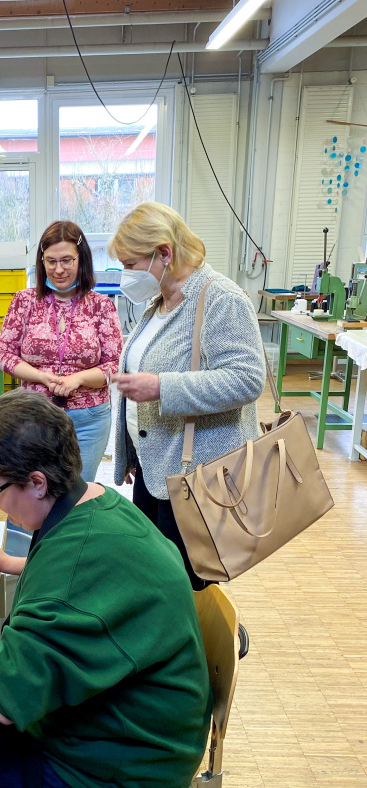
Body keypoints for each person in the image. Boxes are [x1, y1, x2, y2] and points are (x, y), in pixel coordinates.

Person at [0, 391, 211, 788]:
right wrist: (12, 563)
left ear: (36, 482)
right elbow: (90, 579)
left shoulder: (71, 572)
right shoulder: (99, 502)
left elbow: (4, 698)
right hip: (146, 733)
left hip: (124, 774)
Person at [108, 202, 265, 590]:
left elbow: (246, 379)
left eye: (131, 263)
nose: (126, 275)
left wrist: (161, 386)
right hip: (157, 468)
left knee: (186, 584)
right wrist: (132, 451)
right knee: (159, 578)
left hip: (196, 476)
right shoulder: (160, 302)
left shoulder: (220, 299)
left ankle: (209, 642)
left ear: (164, 253)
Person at [0, 221, 122, 483]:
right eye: (51, 261)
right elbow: (3, 355)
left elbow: (115, 365)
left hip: (89, 421)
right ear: (41, 261)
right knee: (34, 493)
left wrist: (79, 379)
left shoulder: (101, 306)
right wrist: (41, 377)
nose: (58, 269)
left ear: (81, 259)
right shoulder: (24, 301)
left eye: (66, 260)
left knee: (77, 495)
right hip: (34, 416)